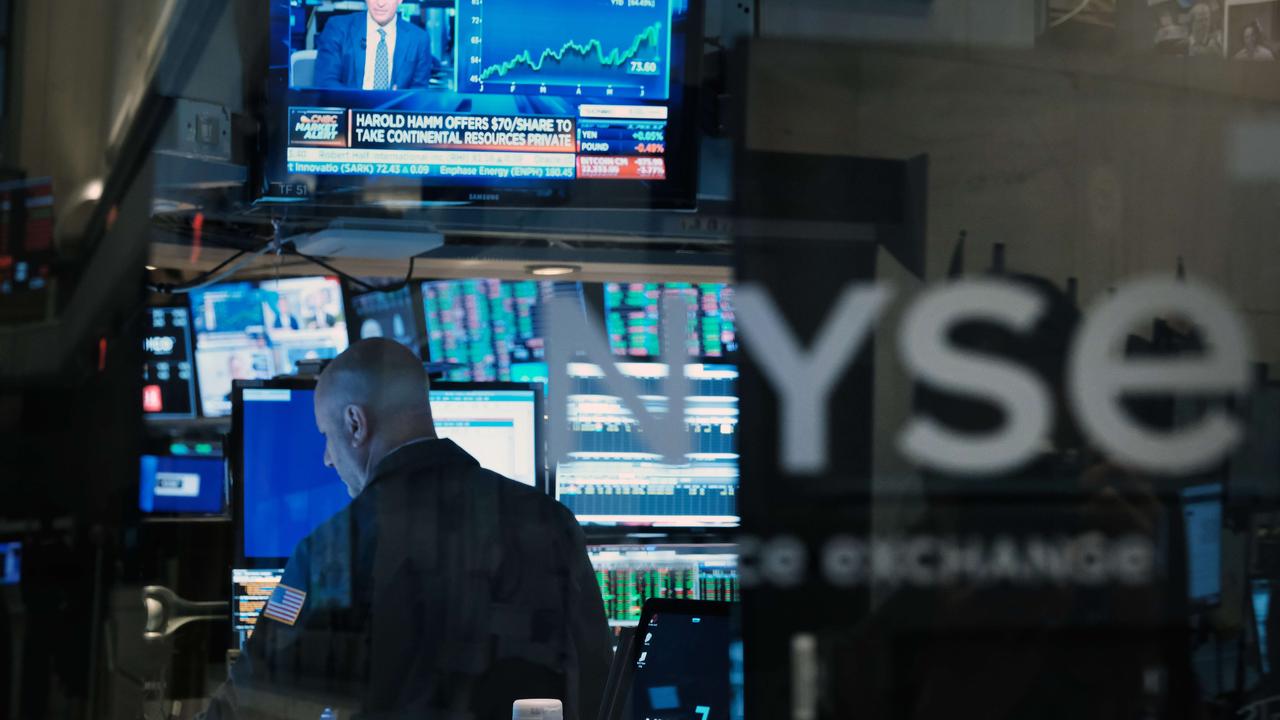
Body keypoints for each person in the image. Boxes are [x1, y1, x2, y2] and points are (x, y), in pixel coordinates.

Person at [202, 339, 611, 720]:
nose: (328, 458)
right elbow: (600, 679)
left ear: (355, 423)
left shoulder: (336, 547)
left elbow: (254, 701)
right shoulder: (551, 520)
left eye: (327, 437)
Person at [311, 0, 435, 90]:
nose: (380, 3)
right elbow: (325, 83)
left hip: (396, 120)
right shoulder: (338, 28)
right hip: (348, 116)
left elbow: (419, 93)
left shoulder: (419, 39)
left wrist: (398, 101)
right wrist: (364, 107)